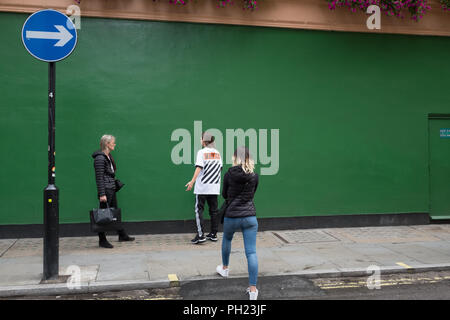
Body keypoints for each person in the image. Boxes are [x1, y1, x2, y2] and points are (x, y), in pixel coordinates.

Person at [216, 146, 259, 300]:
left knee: (227, 239)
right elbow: (252, 195)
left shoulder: (229, 174)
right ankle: (253, 290)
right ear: (249, 158)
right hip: (250, 217)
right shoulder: (254, 176)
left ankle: (225, 268)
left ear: (235, 158)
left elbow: (224, 194)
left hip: (232, 215)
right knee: (251, 252)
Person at [92, 134, 134, 249]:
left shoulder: (108, 156)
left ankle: (122, 234)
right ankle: (102, 240)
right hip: (105, 190)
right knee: (102, 215)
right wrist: (102, 194)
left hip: (111, 188)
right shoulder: (100, 158)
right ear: (107, 144)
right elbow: (99, 177)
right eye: (113, 142)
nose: (114, 144)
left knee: (115, 212)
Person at [185, 132, 223, 244]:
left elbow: (199, 167)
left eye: (201, 139)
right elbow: (219, 168)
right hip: (214, 188)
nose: (200, 141)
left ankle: (201, 235)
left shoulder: (201, 152)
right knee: (214, 211)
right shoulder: (217, 153)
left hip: (202, 188)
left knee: (199, 210)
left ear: (204, 141)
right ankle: (213, 234)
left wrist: (192, 182)